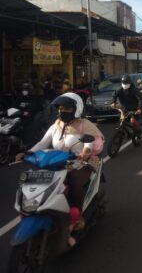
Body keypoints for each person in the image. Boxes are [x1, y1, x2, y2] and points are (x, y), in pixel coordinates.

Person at [16, 93, 104, 242]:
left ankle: (78, 217)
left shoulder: (85, 124)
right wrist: (28, 153)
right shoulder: (56, 125)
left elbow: (89, 144)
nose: (61, 111)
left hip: (81, 161)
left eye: (66, 108)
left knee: (73, 182)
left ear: (76, 109)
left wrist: (85, 153)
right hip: (58, 161)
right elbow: (43, 143)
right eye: (60, 108)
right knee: (39, 180)